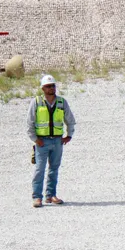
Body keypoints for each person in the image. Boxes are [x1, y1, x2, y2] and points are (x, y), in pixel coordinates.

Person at [27, 74, 75, 208]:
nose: (51, 88)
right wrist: (35, 140)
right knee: (39, 170)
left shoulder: (62, 102)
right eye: (48, 86)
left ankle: (51, 195)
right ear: (43, 88)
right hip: (42, 142)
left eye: (53, 86)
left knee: (54, 169)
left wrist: (69, 135)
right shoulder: (36, 102)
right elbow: (29, 123)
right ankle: (37, 197)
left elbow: (70, 120)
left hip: (57, 142)